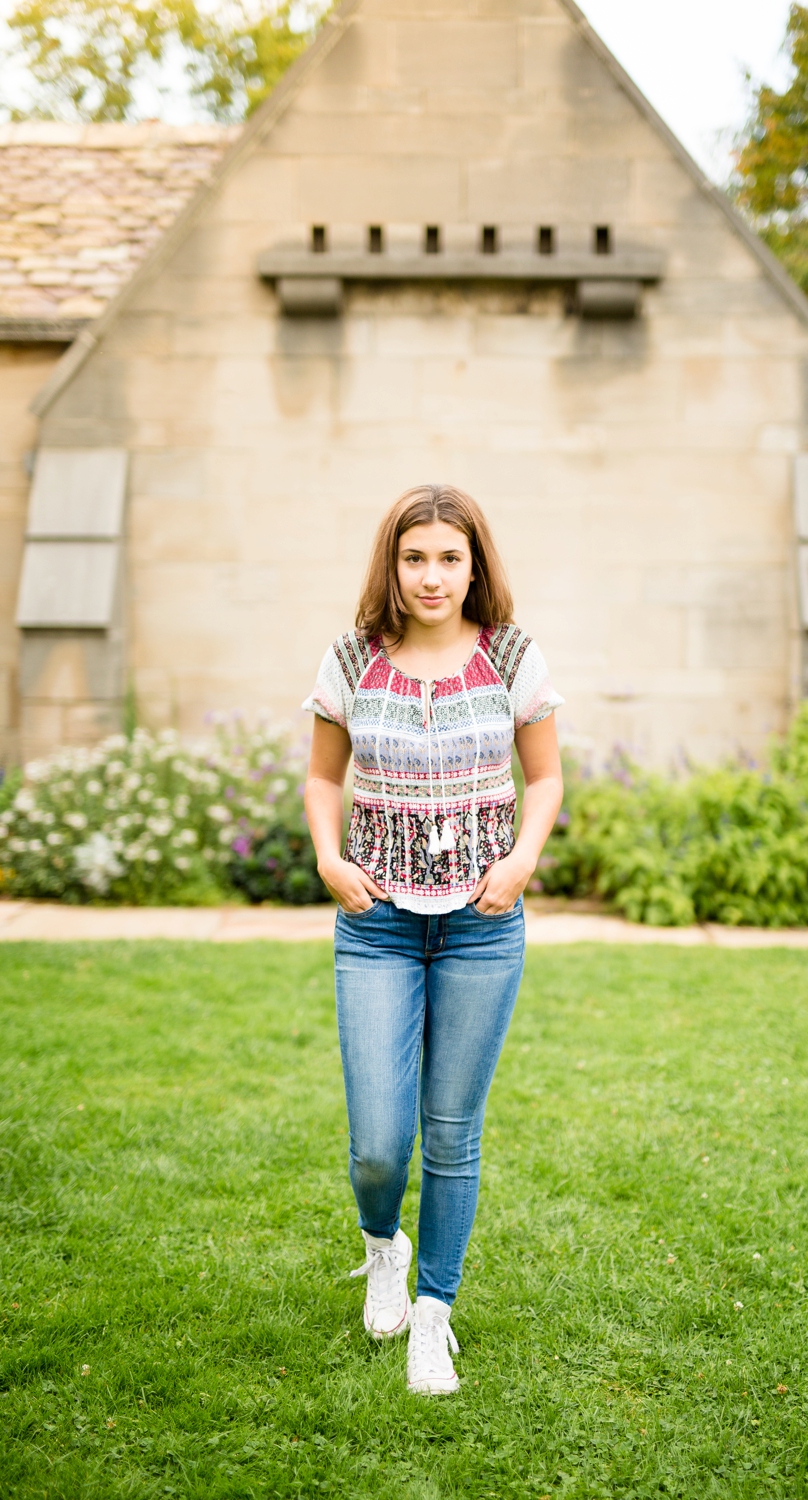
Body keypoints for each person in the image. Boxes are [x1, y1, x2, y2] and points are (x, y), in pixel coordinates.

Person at [302, 484, 563, 1396]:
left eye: (450, 557)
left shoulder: (511, 658)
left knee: (452, 1133)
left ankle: (434, 1314)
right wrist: (330, 860)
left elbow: (548, 777)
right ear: (393, 564)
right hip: (372, 921)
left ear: (475, 565)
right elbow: (323, 780)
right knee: (379, 1141)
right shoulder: (350, 660)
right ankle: (383, 1246)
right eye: (416, 557)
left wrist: (523, 860)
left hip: (482, 925)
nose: (432, 575)